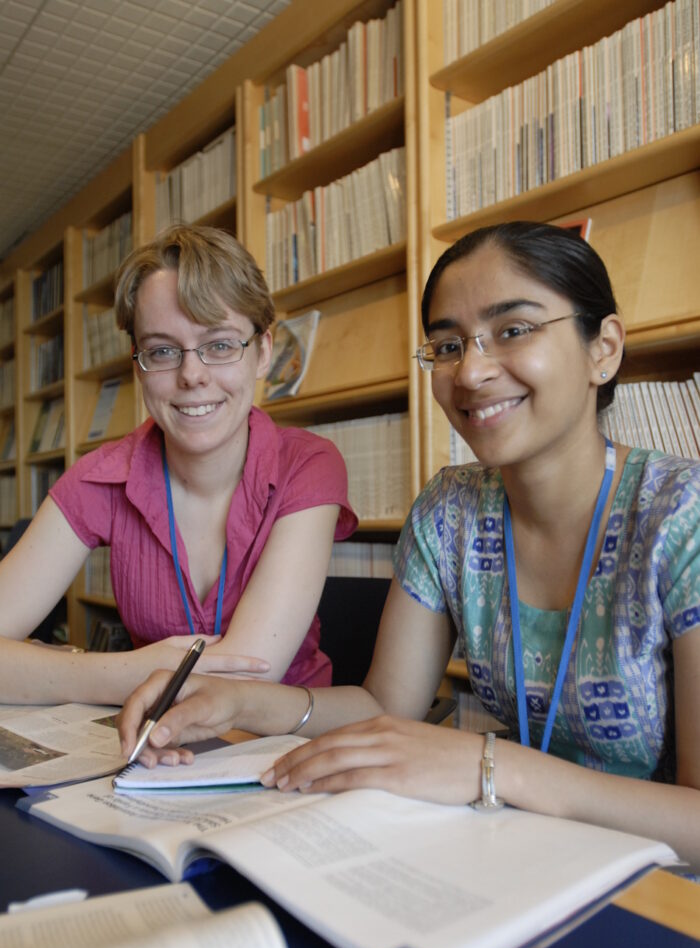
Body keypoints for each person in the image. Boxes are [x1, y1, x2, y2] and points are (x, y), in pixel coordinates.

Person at [117, 221, 700, 870]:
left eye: (513, 330)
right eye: (448, 345)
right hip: (519, 855)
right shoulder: (450, 511)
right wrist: (237, 700)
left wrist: (491, 765)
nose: (471, 371)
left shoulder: (683, 516)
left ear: (604, 349)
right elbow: (383, 707)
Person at [0, 224, 356, 703]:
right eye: (163, 351)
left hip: (287, 741)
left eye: (220, 345)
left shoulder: (307, 464)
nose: (192, 375)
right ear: (138, 364)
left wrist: (90, 670)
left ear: (263, 353)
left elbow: (247, 679)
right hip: (153, 733)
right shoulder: (100, 478)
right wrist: (132, 672)